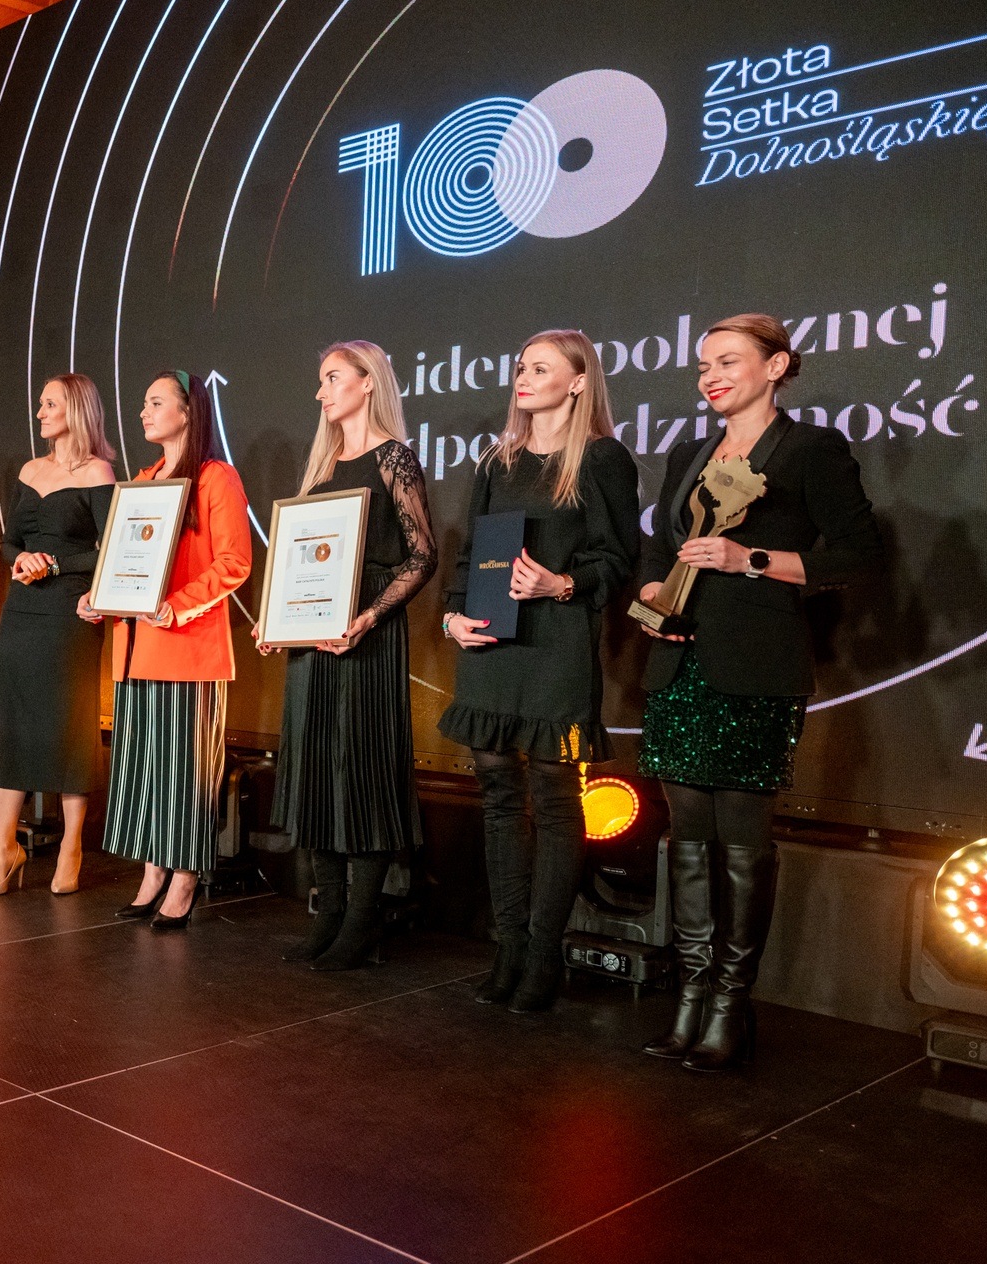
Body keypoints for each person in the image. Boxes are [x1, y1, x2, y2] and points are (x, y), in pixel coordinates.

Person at [636, 314, 880, 1072]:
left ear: (776, 367)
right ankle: (689, 997)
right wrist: (651, 593)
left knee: (742, 842)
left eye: (727, 361)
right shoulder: (689, 452)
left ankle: (730, 1008)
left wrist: (752, 559)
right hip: (680, 666)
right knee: (686, 839)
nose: (710, 376)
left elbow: (857, 556)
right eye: (703, 365)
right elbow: (656, 549)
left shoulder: (810, 450)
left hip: (758, 668)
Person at [439, 330, 640, 1010]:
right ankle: (510, 947)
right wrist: (452, 616)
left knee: (555, 800)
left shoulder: (602, 458)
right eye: (521, 366)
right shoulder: (498, 460)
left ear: (578, 381)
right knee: (499, 796)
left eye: (541, 368)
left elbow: (618, 558)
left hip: (557, 644)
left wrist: (562, 583)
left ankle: (544, 954)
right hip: (491, 647)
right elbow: (469, 556)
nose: (523, 377)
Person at [258, 342, 436, 969]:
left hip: (367, 636)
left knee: (361, 772)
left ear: (368, 383)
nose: (321, 392)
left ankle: (362, 921)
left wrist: (369, 617)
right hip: (312, 641)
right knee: (314, 773)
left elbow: (422, 556)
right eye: (320, 380)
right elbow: (299, 561)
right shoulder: (322, 467)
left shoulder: (395, 458)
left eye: (332, 378)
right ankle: (328, 913)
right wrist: (277, 621)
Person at [79, 370, 252, 929]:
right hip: (136, 652)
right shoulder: (144, 479)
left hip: (187, 649)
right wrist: (100, 597)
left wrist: (178, 605)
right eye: (144, 403)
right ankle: (153, 871)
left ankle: (185, 878)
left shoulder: (216, 477)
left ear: (188, 410)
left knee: (185, 775)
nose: (143, 412)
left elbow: (235, 562)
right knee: (148, 772)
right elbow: (123, 563)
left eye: (156, 402)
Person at [0, 375, 117, 897]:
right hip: (22, 610)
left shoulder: (98, 472)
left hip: (70, 611)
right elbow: (8, 543)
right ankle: (4, 851)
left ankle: (71, 846)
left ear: (75, 409)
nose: (39, 412)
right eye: (40, 404)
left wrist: (54, 563)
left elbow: (110, 550)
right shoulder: (29, 470)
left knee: (67, 725)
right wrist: (24, 558)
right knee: (12, 724)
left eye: (49, 403)